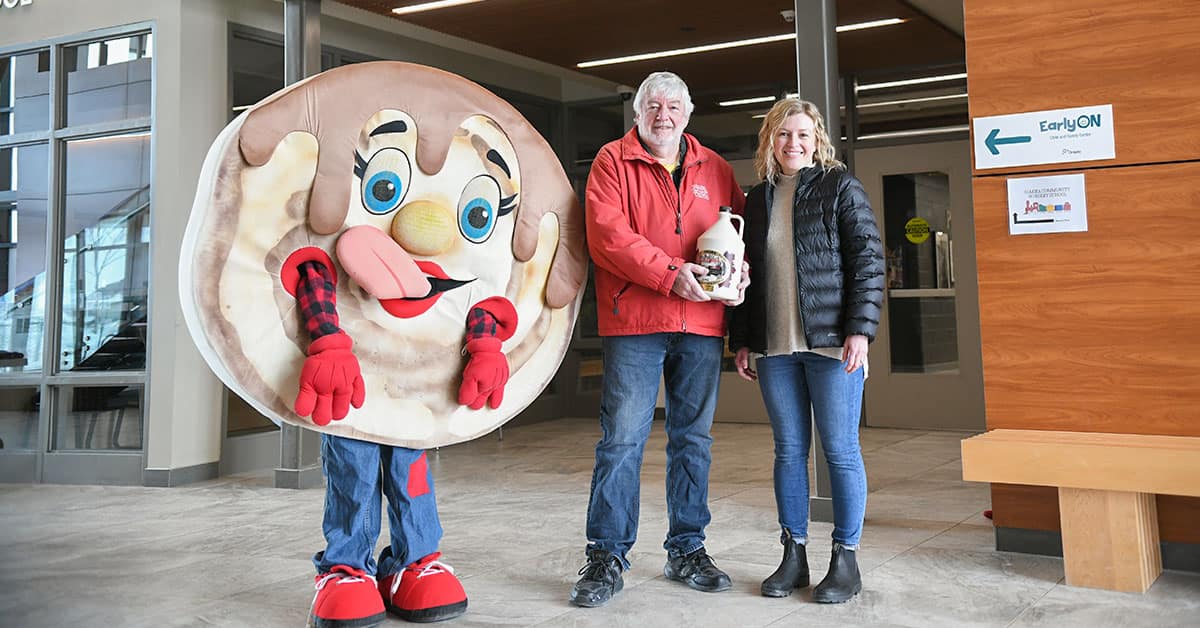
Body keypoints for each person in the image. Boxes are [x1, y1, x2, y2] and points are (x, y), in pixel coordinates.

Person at [569, 71, 749, 608]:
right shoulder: (610, 162)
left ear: (688, 114)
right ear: (638, 114)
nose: (663, 115)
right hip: (636, 323)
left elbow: (740, 238)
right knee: (622, 440)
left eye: (673, 106)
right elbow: (608, 238)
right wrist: (671, 273)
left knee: (693, 439)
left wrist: (741, 276)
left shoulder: (715, 169)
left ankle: (687, 549)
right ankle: (606, 555)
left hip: (700, 325)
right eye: (653, 106)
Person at [728, 98, 884, 604]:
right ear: (769, 142)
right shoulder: (758, 199)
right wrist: (744, 339)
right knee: (789, 452)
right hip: (776, 350)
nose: (792, 143)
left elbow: (868, 262)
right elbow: (745, 275)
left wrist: (859, 331)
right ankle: (793, 555)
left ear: (817, 140)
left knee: (839, 451)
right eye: (782, 135)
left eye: (801, 134)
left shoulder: (840, 187)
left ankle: (846, 559)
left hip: (832, 347)